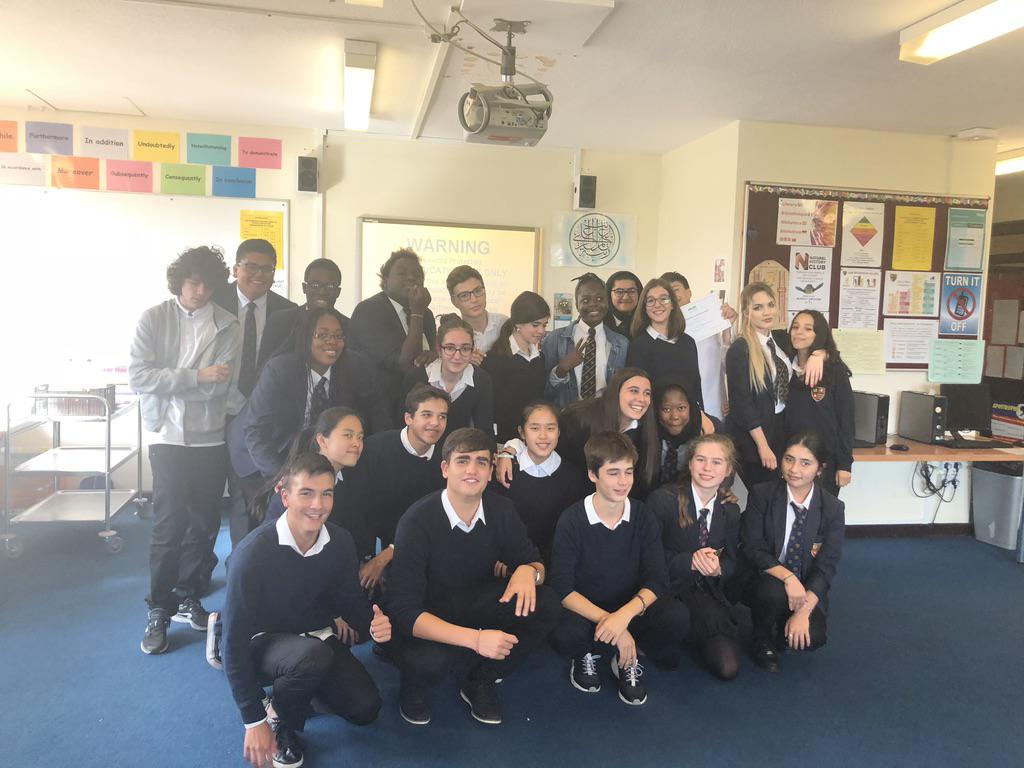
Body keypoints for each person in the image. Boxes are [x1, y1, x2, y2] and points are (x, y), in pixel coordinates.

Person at [221, 453, 392, 768]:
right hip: (263, 641)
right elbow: (232, 645)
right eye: (306, 493)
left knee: (365, 708)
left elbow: (350, 601)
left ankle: (298, 690)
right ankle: (280, 719)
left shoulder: (340, 541)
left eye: (327, 494)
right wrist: (253, 719)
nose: (318, 504)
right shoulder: (252, 554)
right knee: (311, 657)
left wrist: (374, 623)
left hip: (315, 636)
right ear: (285, 496)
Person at [386, 428, 561, 727]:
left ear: (491, 471)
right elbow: (404, 612)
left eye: (481, 462)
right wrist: (476, 639)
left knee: (547, 603)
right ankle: (413, 682)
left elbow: (537, 564)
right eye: (462, 461)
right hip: (430, 611)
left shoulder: (501, 509)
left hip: (477, 599)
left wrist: (528, 571)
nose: (472, 470)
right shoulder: (416, 521)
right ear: (445, 468)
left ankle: (481, 678)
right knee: (429, 663)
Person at [129, 246, 240, 655]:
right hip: (167, 436)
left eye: (208, 285)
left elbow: (220, 386)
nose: (200, 291)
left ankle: (188, 595)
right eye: (193, 283)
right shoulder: (153, 318)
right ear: (179, 281)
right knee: (168, 523)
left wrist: (183, 381)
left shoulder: (228, 323)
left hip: (210, 436)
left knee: (205, 523)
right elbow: (139, 377)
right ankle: (159, 607)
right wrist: (197, 375)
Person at [549, 431, 688, 706]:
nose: (623, 481)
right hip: (586, 609)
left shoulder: (642, 515)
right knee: (565, 633)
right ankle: (587, 653)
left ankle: (625, 657)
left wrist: (624, 617)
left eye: (628, 472)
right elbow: (562, 588)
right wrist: (613, 624)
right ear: (593, 475)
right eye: (613, 473)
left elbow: (658, 578)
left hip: (630, 605)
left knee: (677, 617)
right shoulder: (572, 519)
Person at [227, 308, 387, 544]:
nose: (332, 342)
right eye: (323, 335)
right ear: (305, 337)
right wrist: (283, 476)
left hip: (308, 454)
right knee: (258, 532)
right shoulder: (280, 369)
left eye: (338, 336)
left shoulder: (354, 368)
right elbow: (256, 431)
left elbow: (375, 411)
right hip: (261, 454)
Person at [738, 431, 845, 673]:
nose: (794, 469)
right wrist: (788, 577)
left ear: (820, 469)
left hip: (806, 584)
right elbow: (753, 548)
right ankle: (761, 637)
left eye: (805, 463)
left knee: (812, 638)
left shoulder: (833, 508)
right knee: (772, 593)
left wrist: (804, 610)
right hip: (766, 577)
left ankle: (783, 623)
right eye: (789, 459)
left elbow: (827, 567)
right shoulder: (762, 494)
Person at [646, 433, 742, 681]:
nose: (707, 468)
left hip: (704, 591)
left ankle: (691, 631)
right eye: (700, 459)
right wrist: (688, 561)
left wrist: (719, 569)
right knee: (673, 625)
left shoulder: (730, 511)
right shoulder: (663, 500)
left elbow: (732, 562)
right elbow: (646, 557)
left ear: (728, 470)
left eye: (717, 462)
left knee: (728, 668)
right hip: (667, 587)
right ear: (689, 464)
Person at [351, 385, 450, 592]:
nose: (435, 423)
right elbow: (358, 509)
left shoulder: (446, 459)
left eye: (442, 417)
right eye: (427, 415)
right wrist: (369, 559)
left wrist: (389, 553)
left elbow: (433, 519)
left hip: (418, 548)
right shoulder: (375, 449)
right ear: (408, 418)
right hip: (368, 548)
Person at [725, 282, 823, 489]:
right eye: (758, 307)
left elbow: (819, 343)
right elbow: (742, 404)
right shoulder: (740, 349)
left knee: (780, 494)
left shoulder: (781, 339)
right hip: (754, 438)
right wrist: (762, 446)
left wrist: (819, 354)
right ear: (747, 312)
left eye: (770, 305)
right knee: (763, 494)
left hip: (781, 430)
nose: (766, 312)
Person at [490, 401, 588, 563]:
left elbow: (568, 531)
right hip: (505, 561)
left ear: (558, 432)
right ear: (522, 433)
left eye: (550, 428)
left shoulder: (572, 477)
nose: (543, 436)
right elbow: (496, 523)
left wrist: (538, 565)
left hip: (552, 562)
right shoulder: (505, 470)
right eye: (534, 428)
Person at [348, 248, 437, 424]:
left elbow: (427, 358)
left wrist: (433, 356)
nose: (411, 278)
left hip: (420, 408)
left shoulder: (426, 314)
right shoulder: (369, 310)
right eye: (402, 273)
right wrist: (417, 312)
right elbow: (404, 363)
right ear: (386, 280)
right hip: (381, 409)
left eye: (417, 274)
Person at [555, 367, 660, 499]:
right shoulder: (579, 421)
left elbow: (643, 483)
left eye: (647, 393)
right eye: (634, 391)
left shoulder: (646, 433)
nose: (641, 399)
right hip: (573, 500)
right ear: (616, 392)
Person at [215, 238, 297, 404]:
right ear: (236, 270)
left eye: (267, 269)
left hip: (264, 403)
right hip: (218, 402)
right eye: (252, 267)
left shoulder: (288, 311)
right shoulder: (215, 303)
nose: (260, 274)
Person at [784, 310, 854, 497]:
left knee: (821, 511)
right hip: (791, 462)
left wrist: (845, 464)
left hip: (825, 462)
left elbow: (846, 420)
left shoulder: (834, 370)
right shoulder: (784, 366)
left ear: (819, 334)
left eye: (808, 329)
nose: (799, 332)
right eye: (795, 327)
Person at [543, 272, 628, 409]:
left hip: (604, 416)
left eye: (600, 299)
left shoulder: (622, 343)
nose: (593, 304)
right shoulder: (555, 339)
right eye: (586, 300)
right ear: (577, 304)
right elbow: (544, 392)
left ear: (607, 302)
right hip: (566, 417)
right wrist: (561, 370)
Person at [401, 316, 495, 437]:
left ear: (472, 350)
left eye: (465, 348)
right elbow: (402, 426)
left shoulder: (481, 380)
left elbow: (484, 431)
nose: (457, 356)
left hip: (460, 447)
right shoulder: (416, 377)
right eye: (450, 348)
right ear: (439, 349)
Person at [662, 271, 736, 420]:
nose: (672, 296)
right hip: (678, 411)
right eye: (666, 295)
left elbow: (729, 366)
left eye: (676, 290)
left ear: (689, 292)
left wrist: (727, 326)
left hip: (714, 404)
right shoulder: (662, 329)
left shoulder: (712, 320)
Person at [481, 291, 550, 442]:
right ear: (518, 323)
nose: (542, 331)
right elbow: (488, 408)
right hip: (504, 440)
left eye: (544, 325)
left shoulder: (539, 357)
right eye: (535, 325)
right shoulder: (495, 359)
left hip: (534, 438)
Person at [626, 277, 703, 410]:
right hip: (652, 418)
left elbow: (695, 386)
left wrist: (700, 414)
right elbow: (636, 395)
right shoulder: (638, 346)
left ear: (672, 304)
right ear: (644, 308)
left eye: (664, 299)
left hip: (687, 417)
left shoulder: (688, 342)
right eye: (651, 300)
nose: (657, 304)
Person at [258, 258, 345, 370]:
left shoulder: (347, 326)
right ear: (304, 288)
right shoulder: (280, 321)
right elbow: (263, 367)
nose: (322, 292)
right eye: (315, 285)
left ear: (338, 292)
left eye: (330, 287)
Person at [651, 375, 721, 489]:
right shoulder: (645, 431)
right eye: (666, 409)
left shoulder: (712, 429)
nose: (674, 416)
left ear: (691, 407)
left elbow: (726, 466)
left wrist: (722, 488)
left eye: (681, 408)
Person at [446, 264, 508, 360]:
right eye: (464, 295)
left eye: (478, 291)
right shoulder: (451, 335)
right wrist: (462, 361)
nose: (474, 299)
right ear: (454, 301)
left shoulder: (504, 323)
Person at [604, 270, 643, 339]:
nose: (625, 297)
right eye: (619, 291)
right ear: (609, 294)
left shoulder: (646, 322)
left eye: (631, 291)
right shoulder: (599, 323)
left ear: (639, 293)